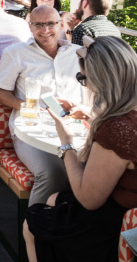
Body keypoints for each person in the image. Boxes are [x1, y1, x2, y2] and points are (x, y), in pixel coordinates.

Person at [24, 36, 137, 262]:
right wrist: (92, 113)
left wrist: (66, 143)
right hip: (128, 206)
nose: (85, 84)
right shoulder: (127, 115)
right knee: (54, 198)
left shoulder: (117, 129)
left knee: (32, 223)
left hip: (119, 225)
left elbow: (88, 199)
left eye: (83, 78)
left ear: (101, 80)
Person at [0, 5, 83, 205]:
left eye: (50, 24)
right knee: (53, 173)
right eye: (38, 25)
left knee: (90, 170)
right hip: (32, 132)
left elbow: (95, 88)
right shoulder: (16, 53)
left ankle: (74, 228)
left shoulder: (78, 54)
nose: (45, 30)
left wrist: (79, 106)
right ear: (30, 26)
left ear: (60, 25)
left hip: (75, 128)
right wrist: (25, 106)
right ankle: (34, 229)